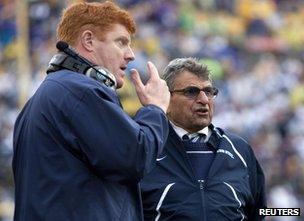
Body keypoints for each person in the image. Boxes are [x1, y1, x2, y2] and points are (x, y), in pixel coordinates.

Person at [12, 1, 170, 221]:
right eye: (121, 42)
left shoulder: (50, 93)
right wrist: (155, 108)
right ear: (88, 40)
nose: (131, 54)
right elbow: (135, 156)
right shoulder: (79, 92)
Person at [140, 58, 266, 221]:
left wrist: (289, 212)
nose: (204, 100)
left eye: (208, 91)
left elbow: (261, 212)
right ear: (167, 99)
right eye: (191, 92)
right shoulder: (147, 146)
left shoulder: (239, 149)